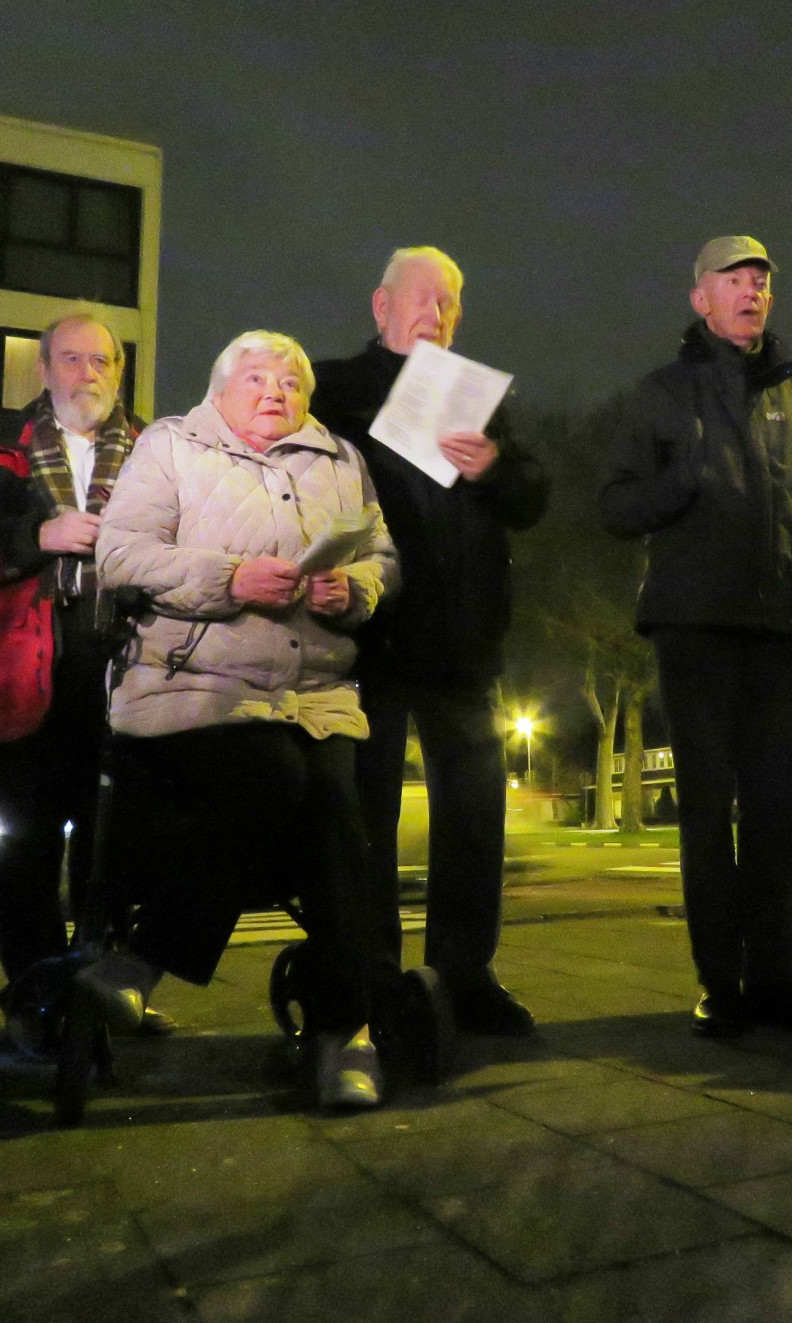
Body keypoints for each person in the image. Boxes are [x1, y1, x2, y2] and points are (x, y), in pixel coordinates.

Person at [86, 331, 402, 1108]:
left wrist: (355, 589)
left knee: (336, 811)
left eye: (292, 379)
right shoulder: (171, 447)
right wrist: (229, 578)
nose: (277, 390)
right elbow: (120, 555)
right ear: (220, 389)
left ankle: (335, 1030)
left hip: (312, 694)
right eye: (258, 377)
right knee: (277, 777)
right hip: (193, 683)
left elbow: (384, 555)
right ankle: (331, 1028)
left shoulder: (339, 458)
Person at [599, 236, 792, 1039]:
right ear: (699, 298)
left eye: (761, 282)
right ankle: (721, 983)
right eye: (733, 280)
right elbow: (617, 505)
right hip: (695, 622)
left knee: (778, 811)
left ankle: (780, 982)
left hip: (781, 627)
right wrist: (685, 479)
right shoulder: (661, 392)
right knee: (708, 808)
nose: (751, 292)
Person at [312, 247, 550, 1037]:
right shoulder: (333, 390)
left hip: (464, 643)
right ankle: (372, 970)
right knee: (367, 815)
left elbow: (533, 495)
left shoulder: (481, 401)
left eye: (450, 301)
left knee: (475, 816)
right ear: (380, 307)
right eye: (421, 298)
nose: (436, 312)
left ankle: (465, 970)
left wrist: (494, 465)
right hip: (371, 642)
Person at [0, 313, 169, 1053]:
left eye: (101, 360)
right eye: (71, 358)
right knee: (30, 848)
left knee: (116, 849)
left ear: (119, 371)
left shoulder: (155, 452)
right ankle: (37, 998)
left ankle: (103, 992)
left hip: (126, 669)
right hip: (32, 667)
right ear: (44, 369)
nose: (87, 372)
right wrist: (35, 538)